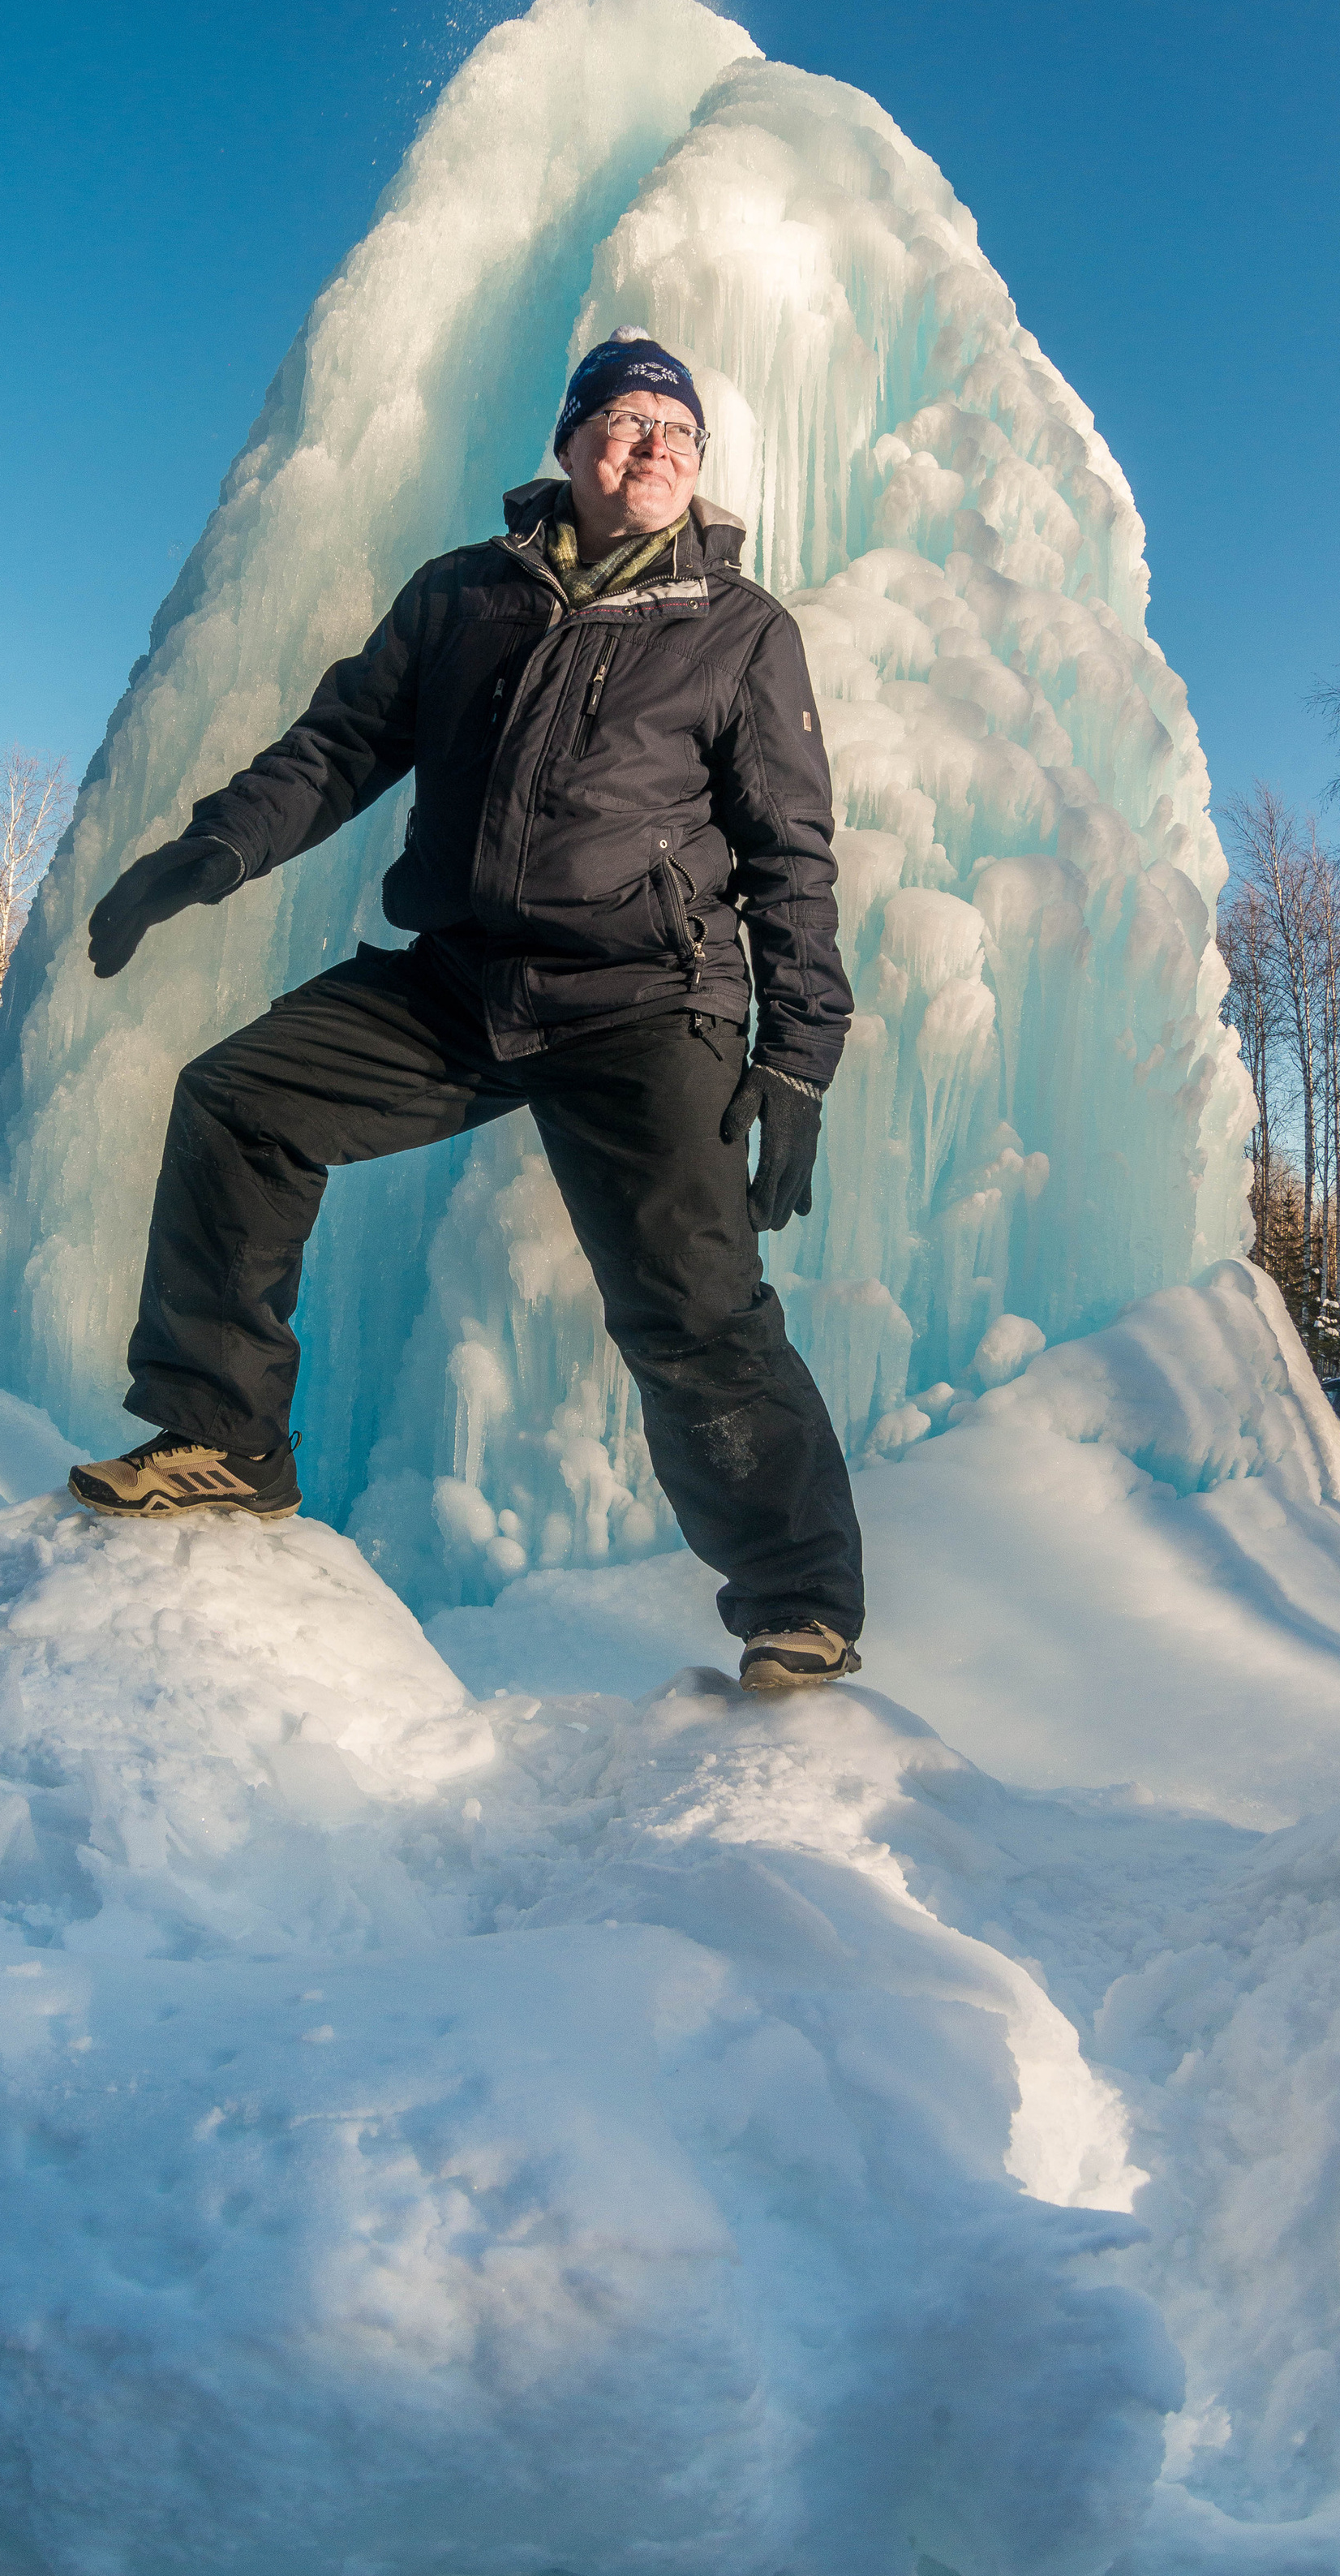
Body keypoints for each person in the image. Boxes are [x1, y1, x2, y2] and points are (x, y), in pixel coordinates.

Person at [70, 329, 864, 1693]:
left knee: (694, 1305)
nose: (651, 446)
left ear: (699, 467)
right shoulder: (461, 597)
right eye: (622, 421)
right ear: (567, 448)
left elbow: (791, 854)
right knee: (241, 1100)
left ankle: (800, 1603)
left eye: (676, 430)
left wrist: (795, 1061)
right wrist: (214, 849)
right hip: (463, 981)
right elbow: (340, 748)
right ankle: (224, 1437)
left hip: (646, 1001)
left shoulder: (739, 631)